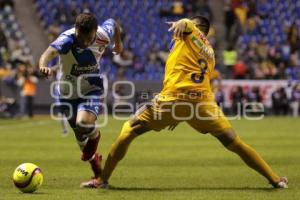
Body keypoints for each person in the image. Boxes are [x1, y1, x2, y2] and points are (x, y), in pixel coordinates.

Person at [98, 16, 288, 189]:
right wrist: (180, 115)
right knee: (235, 143)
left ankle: (102, 179)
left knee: (128, 130)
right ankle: (275, 179)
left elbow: (187, 24)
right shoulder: (210, 53)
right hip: (203, 105)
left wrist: (183, 22)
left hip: (173, 99)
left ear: (198, 28)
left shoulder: (189, 33)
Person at [39, 13, 123, 188]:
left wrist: (118, 42)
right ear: (76, 30)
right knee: (79, 135)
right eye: (81, 38)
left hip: (91, 87)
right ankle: (98, 173)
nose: (85, 42)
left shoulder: (103, 33)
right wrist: (43, 66)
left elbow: (114, 23)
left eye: (89, 38)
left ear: (95, 31)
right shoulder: (67, 39)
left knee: (83, 123)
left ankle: (95, 137)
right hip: (67, 92)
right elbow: (49, 52)